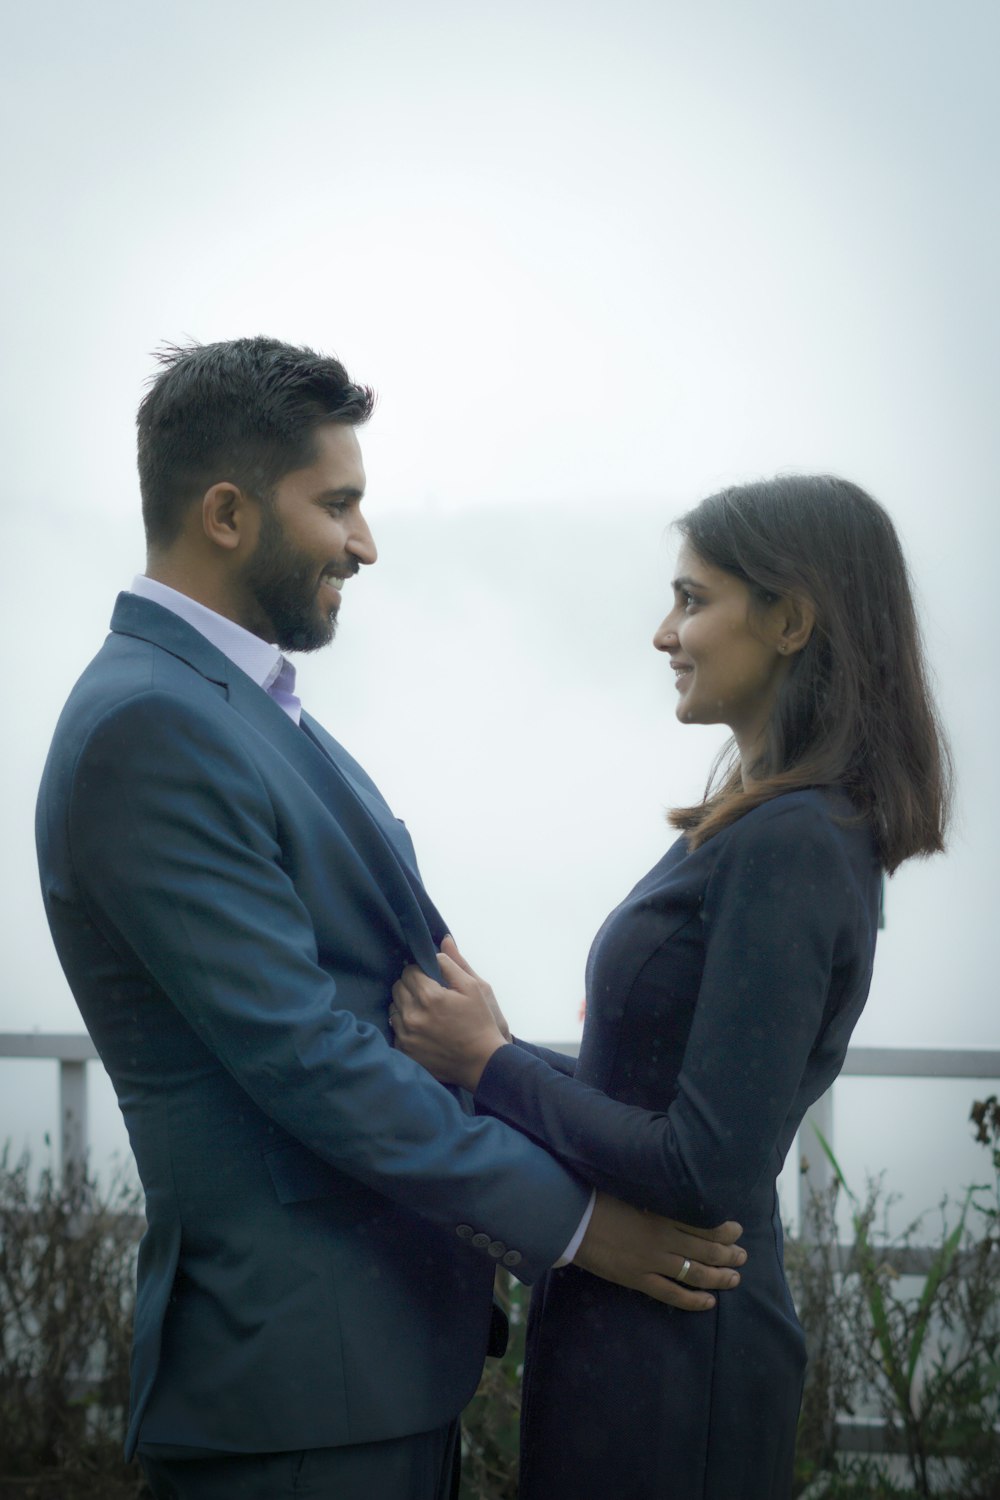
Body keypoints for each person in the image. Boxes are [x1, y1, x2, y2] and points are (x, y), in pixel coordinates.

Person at [34, 337, 745, 1500]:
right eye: (339, 505)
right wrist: (578, 1224)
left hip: (376, 1370)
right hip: (295, 1396)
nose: (366, 543)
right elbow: (310, 1060)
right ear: (225, 512)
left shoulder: (236, 702)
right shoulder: (147, 729)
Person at [390, 474, 952, 1499]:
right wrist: (505, 1052)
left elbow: (701, 1163)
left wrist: (490, 1061)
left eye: (693, 599)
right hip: (634, 1334)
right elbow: (658, 1089)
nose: (663, 633)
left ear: (789, 619)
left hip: (677, 1363)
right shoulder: (764, 825)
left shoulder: (793, 843)